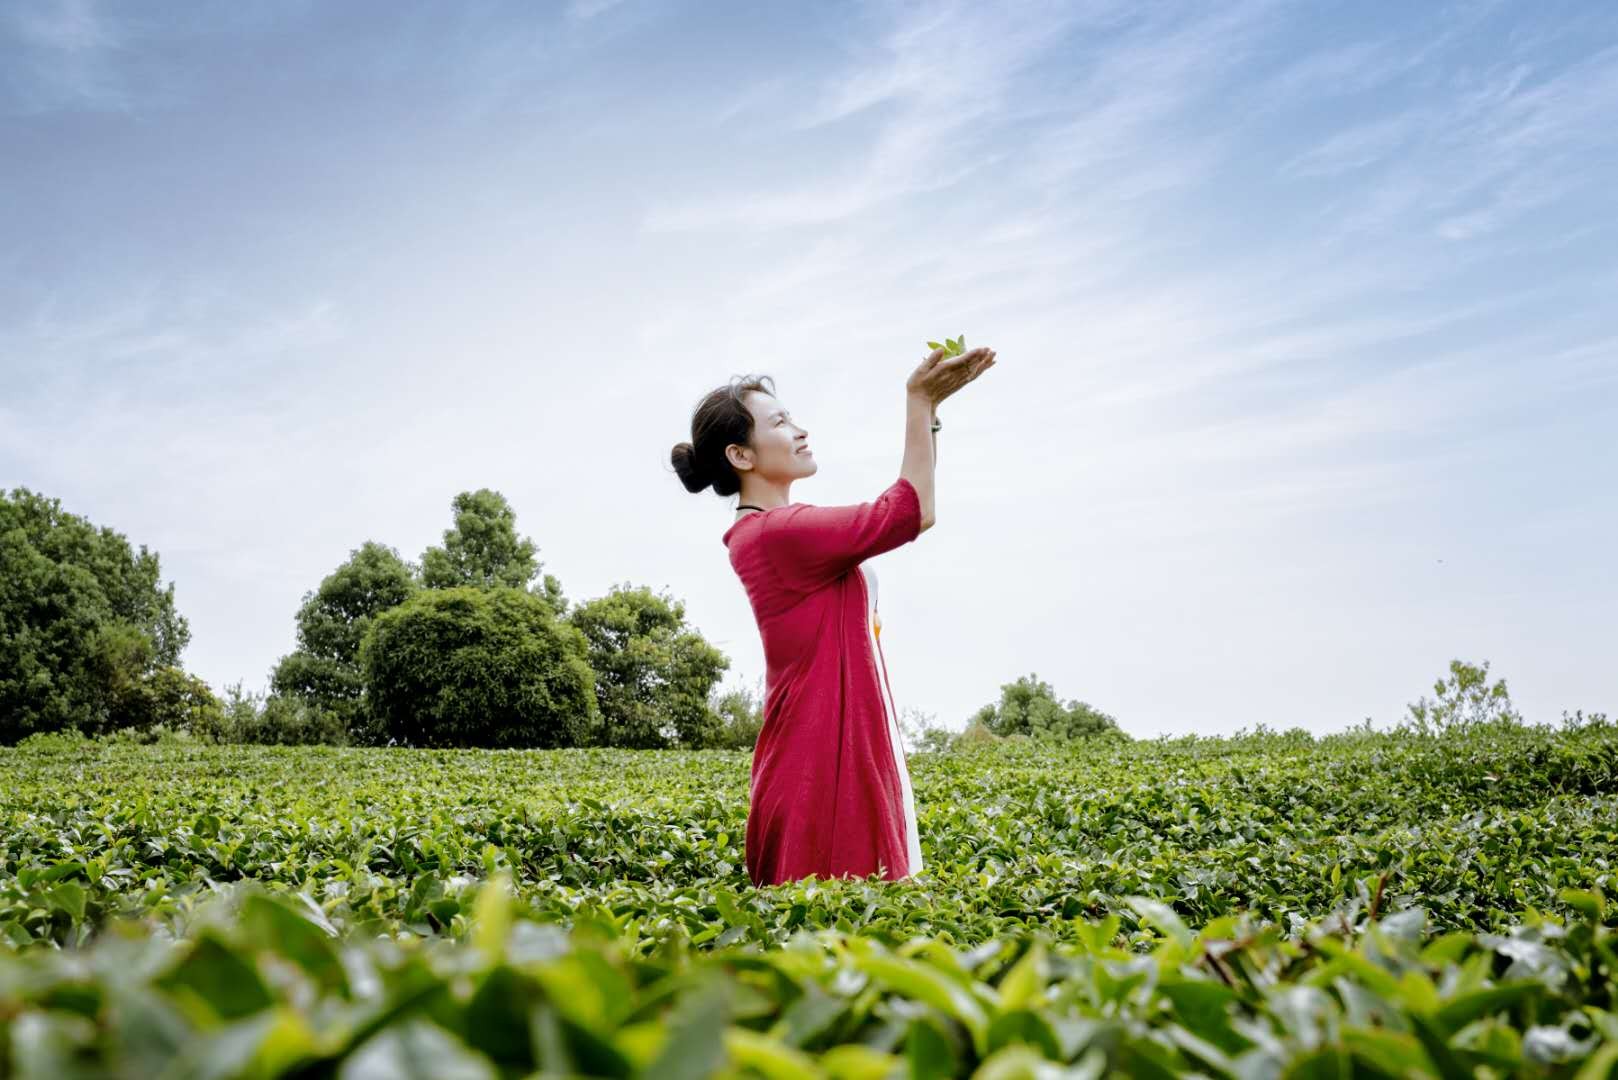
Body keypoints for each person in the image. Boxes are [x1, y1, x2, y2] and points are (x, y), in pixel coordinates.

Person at [669, 344, 997, 886]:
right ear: (742, 456)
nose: (799, 430)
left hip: (835, 750)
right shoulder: (777, 534)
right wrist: (919, 403)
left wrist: (930, 412)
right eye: (778, 422)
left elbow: (911, 506)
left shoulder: (773, 531)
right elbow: (911, 512)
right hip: (821, 765)